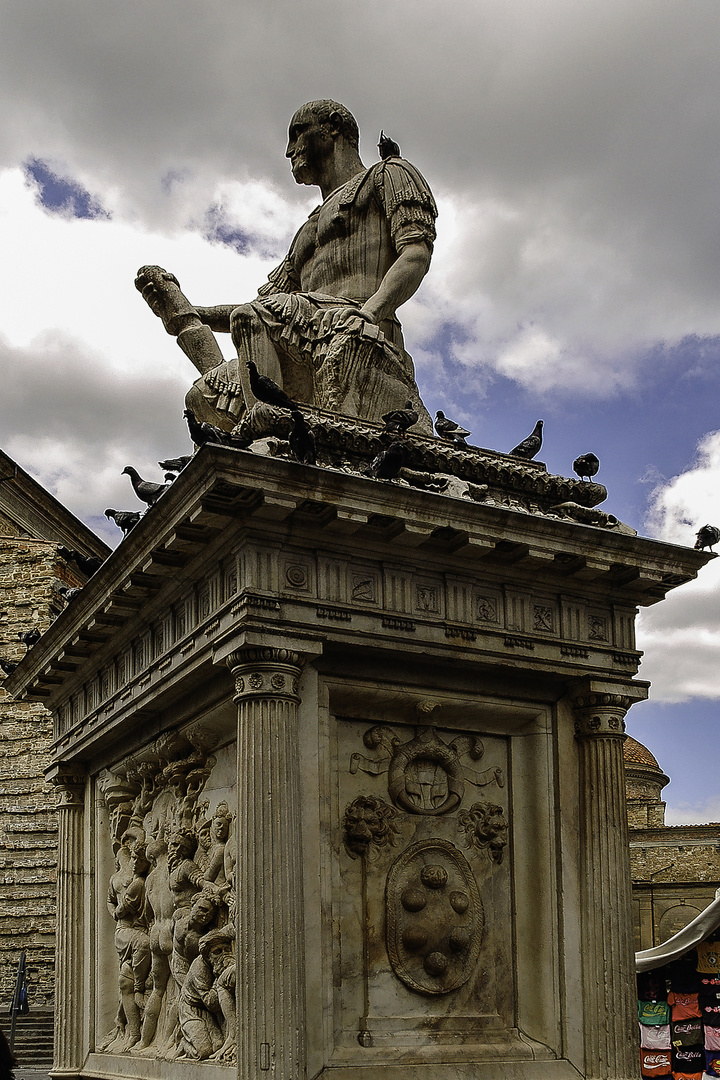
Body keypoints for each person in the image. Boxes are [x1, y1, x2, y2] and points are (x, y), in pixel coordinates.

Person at [136, 99, 437, 429]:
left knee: (254, 318)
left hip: (360, 322)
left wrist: (369, 313)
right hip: (304, 330)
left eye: (297, 134)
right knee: (201, 396)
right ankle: (261, 440)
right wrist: (188, 312)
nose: (289, 151)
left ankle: (269, 434)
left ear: (333, 126)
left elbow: (416, 253)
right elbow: (259, 308)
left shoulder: (387, 175)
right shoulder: (307, 230)